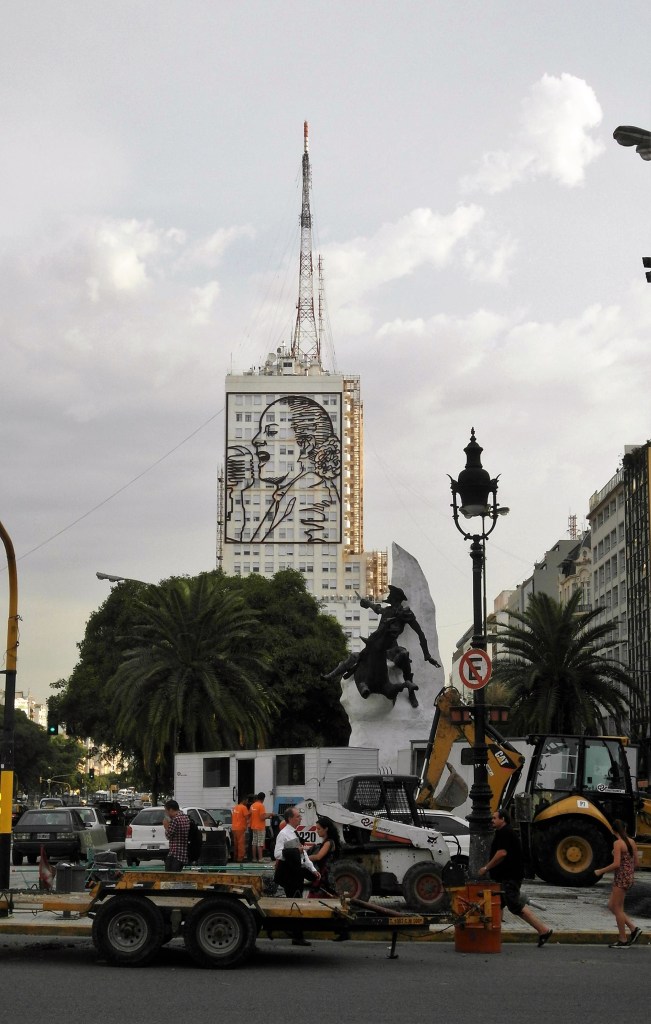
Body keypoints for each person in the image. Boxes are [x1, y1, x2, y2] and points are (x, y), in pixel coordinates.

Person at [478, 808, 553, 947]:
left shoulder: (506, 833)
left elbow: (502, 853)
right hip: (505, 877)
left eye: (495, 818)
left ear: (503, 819)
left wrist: (486, 867)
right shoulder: (502, 832)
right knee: (497, 904)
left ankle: (543, 930)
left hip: (510, 877)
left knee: (514, 905)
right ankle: (492, 937)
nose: (492, 820)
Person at [274, 806, 320, 945]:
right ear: (289, 819)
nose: (300, 818)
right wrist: (295, 850)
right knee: (295, 903)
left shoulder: (294, 833)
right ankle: (297, 935)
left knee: (296, 902)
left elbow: (303, 854)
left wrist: (312, 869)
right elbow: (278, 854)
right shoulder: (284, 834)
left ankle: (297, 934)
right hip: (289, 875)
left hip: (297, 873)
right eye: (297, 816)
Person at [595, 818, 642, 947]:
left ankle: (623, 939)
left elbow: (616, 864)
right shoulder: (632, 842)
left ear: (612, 830)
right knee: (612, 906)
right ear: (625, 829)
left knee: (617, 908)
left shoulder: (618, 843)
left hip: (621, 878)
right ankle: (633, 929)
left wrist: (600, 871)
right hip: (628, 877)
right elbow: (636, 863)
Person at [306, 816, 340, 897]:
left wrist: (305, 858)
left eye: (319, 829)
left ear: (326, 829)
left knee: (317, 897)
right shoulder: (327, 841)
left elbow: (318, 857)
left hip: (325, 875)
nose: (317, 831)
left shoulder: (329, 842)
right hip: (324, 874)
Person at [163, 799, 190, 872]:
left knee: (170, 878)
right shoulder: (185, 817)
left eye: (166, 811)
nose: (166, 813)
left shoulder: (175, 820)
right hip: (183, 853)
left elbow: (168, 835)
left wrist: (166, 827)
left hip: (175, 854)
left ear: (171, 810)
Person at [249, 792, 273, 862]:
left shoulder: (252, 805)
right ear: (263, 798)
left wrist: (267, 815)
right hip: (260, 827)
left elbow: (252, 815)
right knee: (260, 843)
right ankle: (260, 858)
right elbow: (262, 817)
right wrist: (270, 814)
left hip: (254, 826)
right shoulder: (261, 806)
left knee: (254, 843)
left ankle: (254, 858)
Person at [231, 795, 251, 863]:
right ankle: (240, 858)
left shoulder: (236, 807)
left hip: (234, 828)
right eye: (247, 800)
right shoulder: (244, 807)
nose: (247, 802)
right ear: (244, 800)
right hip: (240, 828)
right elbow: (247, 817)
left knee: (236, 843)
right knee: (241, 844)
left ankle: (235, 857)